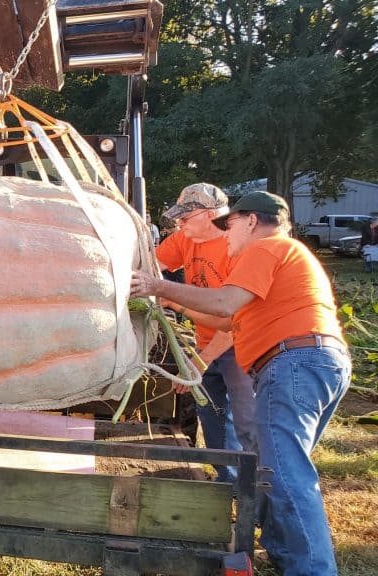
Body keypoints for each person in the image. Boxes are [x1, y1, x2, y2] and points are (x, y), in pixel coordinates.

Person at [131, 191, 350, 576]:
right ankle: (283, 552)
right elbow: (227, 322)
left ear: (251, 221)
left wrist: (158, 287)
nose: (224, 234)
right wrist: (176, 304)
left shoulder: (267, 248)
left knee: (286, 474)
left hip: (293, 363)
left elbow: (224, 304)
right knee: (274, 468)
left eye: (228, 225)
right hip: (308, 361)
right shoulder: (279, 255)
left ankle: (313, 570)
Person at [156, 183, 255, 482]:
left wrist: (201, 361)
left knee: (248, 423)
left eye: (185, 218)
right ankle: (228, 482)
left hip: (242, 347)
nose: (179, 224)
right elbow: (150, 265)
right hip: (206, 342)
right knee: (212, 419)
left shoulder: (239, 248)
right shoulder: (184, 239)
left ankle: (260, 492)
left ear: (210, 214)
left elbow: (236, 321)